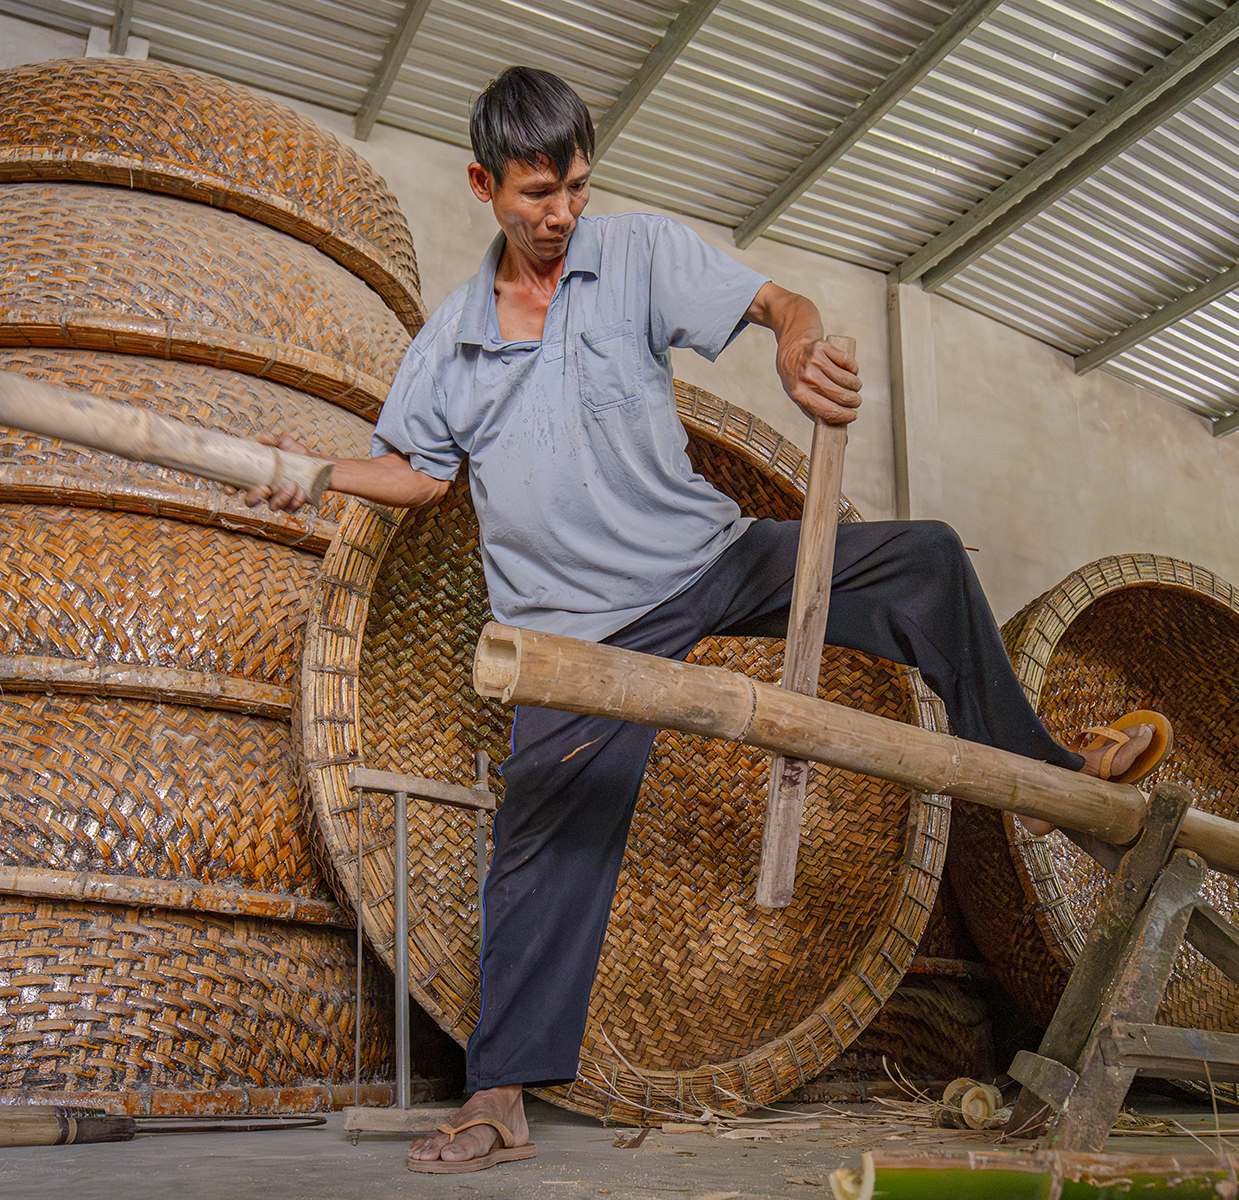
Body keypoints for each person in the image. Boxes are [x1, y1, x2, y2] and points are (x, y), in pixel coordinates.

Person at [246, 66, 1168, 1174]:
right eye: (537, 194)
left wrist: (794, 343)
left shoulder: (630, 256)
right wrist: (320, 473)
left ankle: (1058, 782)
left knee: (924, 562)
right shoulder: (451, 344)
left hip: (711, 559)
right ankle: (498, 1097)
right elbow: (421, 474)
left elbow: (779, 303)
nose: (561, 214)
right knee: (543, 846)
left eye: (576, 186)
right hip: (580, 634)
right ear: (485, 183)